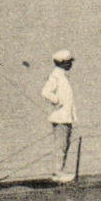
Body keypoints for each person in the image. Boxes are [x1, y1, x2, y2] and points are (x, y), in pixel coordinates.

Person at [41, 50, 77, 182]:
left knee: (64, 144)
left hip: (65, 117)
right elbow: (45, 92)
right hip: (60, 117)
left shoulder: (62, 76)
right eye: (69, 62)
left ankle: (59, 171)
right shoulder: (56, 76)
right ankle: (58, 173)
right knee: (60, 145)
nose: (71, 64)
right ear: (63, 63)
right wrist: (56, 100)